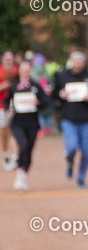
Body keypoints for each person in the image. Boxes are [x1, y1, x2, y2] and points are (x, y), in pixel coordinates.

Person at [54, 51, 88, 189]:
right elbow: (54, 93)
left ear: (84, 62)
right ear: (71, 62)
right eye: (75, 61)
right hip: (69, 118)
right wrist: (61, 94)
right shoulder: (62, 75)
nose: (78, 64)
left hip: (87, 119)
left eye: (80, 61)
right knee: (71, 147)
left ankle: (81, 178)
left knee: (87, 151)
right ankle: (70, 162)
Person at [4, 59, 48, 191]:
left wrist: (37, 102)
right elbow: (7, 102)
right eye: (23, 70)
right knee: (22, 146)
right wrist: (9, 110)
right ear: (19, 71)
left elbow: (45, 101)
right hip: (18, 122)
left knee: (28, 150)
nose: (25, 73)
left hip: (32, 123)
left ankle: (22, 176)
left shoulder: (35, 86)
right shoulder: (14, 86)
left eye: (27, 70)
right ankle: (18, 171)